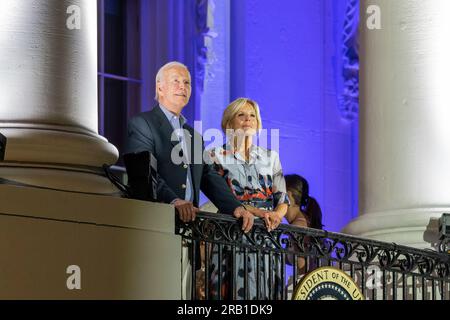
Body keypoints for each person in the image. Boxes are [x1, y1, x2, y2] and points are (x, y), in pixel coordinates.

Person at [126, 62, 255, 299]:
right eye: (176, 80)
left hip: (191, 233)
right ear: (159, 87)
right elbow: (145, 173)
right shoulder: (142, 124)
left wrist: (237, 207)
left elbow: (209, 176)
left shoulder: (194, 136)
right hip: (157, 227)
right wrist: (173, 200)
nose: (182, 86)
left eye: (186, 82)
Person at [207, 97, 290, 300]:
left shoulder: (271, 157)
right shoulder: (214, 155)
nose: (248, 120)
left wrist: (277, 216)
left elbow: (283, 199)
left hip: (268, 237)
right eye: (241, 115)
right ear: (228, 123)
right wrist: (260, 212)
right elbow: (223, 197)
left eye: (252, 116)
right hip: (233, 233)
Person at [284, 174, 323, 274]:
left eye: (277, 193)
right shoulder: (306, 220)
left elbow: (302, 265)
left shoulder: (297, 227)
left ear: (288, 196)